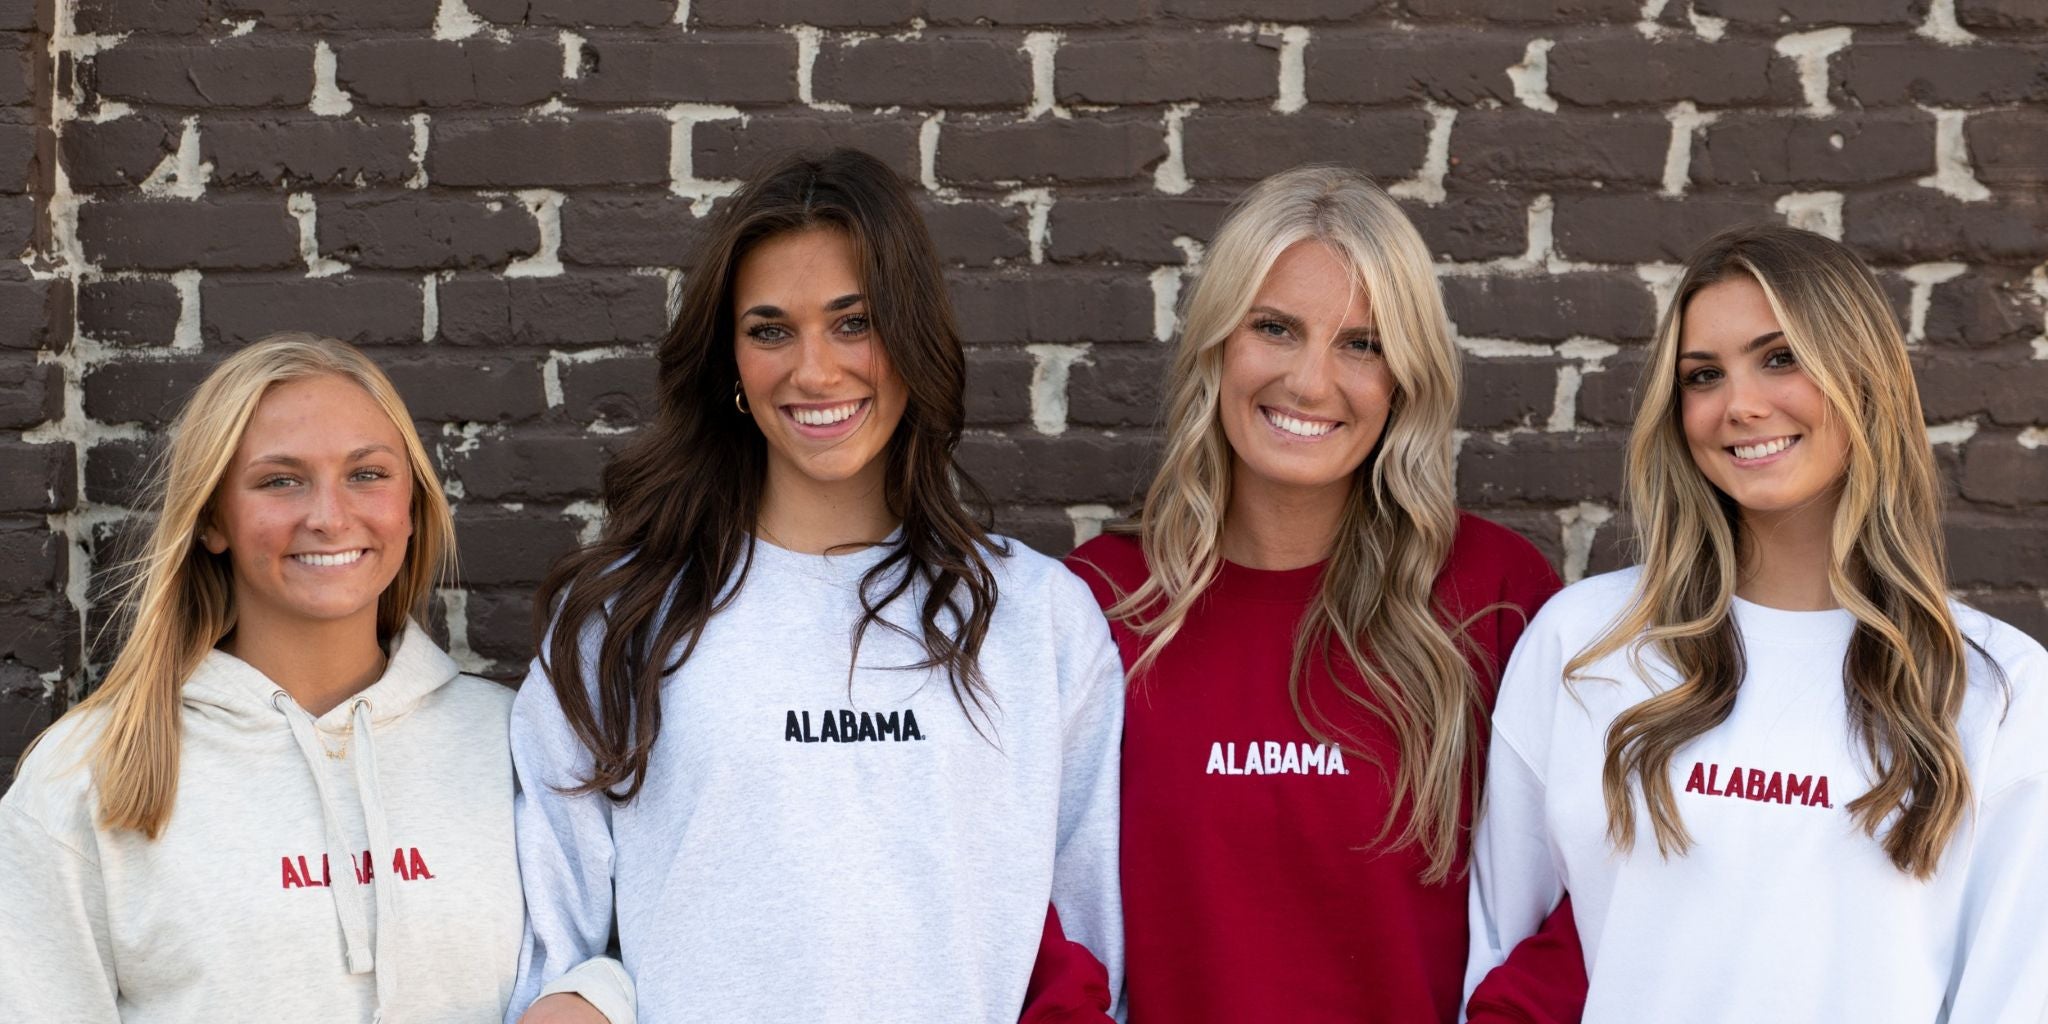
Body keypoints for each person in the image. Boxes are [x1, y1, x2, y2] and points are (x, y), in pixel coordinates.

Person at [507, 149, 1123, 1024]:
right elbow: (550, 954)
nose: (814, 371)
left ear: (911, 334)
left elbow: (1090, 949)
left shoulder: (1037, 619)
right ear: (729, 361)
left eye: (853, 323)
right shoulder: (622, 619)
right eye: (769, 330)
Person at [1464, 225, 2048, 1022]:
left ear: (1863, 376)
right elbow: (1498, 948)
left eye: (1780, 358)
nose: (1739, 405)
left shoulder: (1998, 688)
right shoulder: (1588, 646)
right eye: (1703, 376)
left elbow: (2013, 996)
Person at [1065, 165, 1584, 1023]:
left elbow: (1597, 886)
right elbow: (1030, 905)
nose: (1310, 383)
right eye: (1275, 328)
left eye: (1362, 344)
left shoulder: (1497, 599)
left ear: (1404, 378)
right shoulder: (1104, 601)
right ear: (1218, 343)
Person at [0, 335, 522, 1021]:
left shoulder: (515, 743)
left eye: (366, 474)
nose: (330, 517)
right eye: (281, 480)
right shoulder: (89, 773)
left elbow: (638, 945)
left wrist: (596, 991)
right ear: (213, 519)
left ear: (413, 507)